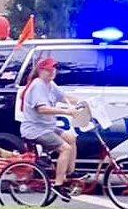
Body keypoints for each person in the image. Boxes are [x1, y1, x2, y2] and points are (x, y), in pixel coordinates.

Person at [18, 56, 84, 196]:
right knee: (65, 148)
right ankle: (58, 184)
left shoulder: (50, 84)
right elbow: (42, 109)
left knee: (71, 138)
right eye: (48, 69)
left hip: (48, 127)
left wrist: (82, 102)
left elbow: (63, 97)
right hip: (36, 129)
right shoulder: (38, 85)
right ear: (41, 70)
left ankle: (68, 172)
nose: (52, 72)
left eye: (53, 69)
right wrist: (67, 111)